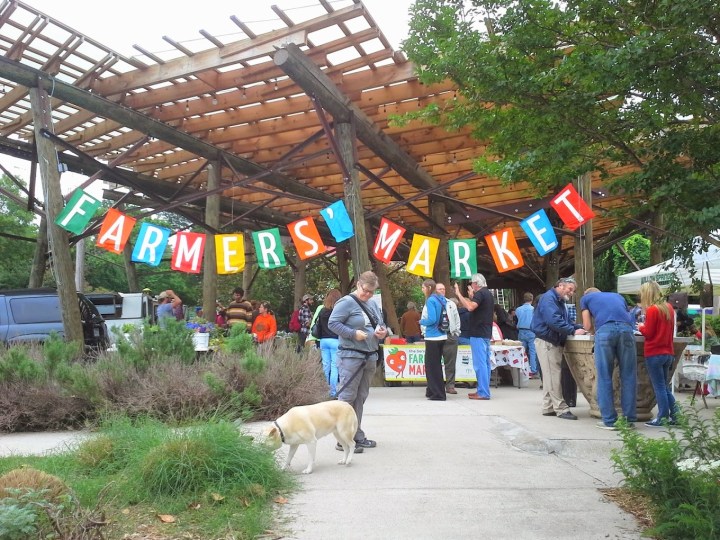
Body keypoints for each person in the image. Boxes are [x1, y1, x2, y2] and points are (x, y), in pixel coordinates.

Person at [328, 271, 387, 452]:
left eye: (371, 292)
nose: (368, 294)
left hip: (369, 356)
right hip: (351, 357)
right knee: (347, 398)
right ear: (358, 285)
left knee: (360, 397)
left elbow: (380, 324)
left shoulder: (373, 304)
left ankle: (355, 434)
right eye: (366, 290)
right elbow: (333, 323)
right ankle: (342, 439)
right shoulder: (346, 302)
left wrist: (383, 332)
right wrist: (353, 333)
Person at [580, 287, 637, 430]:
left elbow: (587, 325)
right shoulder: (618, 296)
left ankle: (610, 421)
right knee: (629, 376)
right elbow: (628, 317)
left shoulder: (586, 298)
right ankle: (628, 420)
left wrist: (594, 331)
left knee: (604, 376)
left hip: (605, 332)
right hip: (626, 331)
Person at [531, 277, 587, 419]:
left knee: (550, 374)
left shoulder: (555, 299)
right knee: (553, 375)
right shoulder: (550, 299)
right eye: (570, 289)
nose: (572, 293)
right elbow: (554, 321)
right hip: (548, 341)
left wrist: (578, 327)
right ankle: (561, 408)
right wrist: (573, 330)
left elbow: (562, 321)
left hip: (548, 339)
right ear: (561, 286)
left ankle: (548, 406)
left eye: (573, 291)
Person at [637, 281, 677, 427]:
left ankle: (663, 417)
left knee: (659, 387)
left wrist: (641, 327)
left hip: (654, 353)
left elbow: (649, 333)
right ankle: (676, 415)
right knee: (664, 386)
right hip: (668, 352)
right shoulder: (669, 308)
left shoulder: (653, 310)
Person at [454, 274, 494, 400]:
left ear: (476, 283)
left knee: (480, 363)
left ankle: (483, 392)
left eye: (472, 283)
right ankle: (483, 389)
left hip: (478, 332)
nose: (471, 285)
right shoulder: (487, 294)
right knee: (485, 363)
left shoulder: (481, 294)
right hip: (485, 332)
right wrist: (471, 296)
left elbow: (471, 307)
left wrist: (459, 294)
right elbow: (476, 304)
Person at [418, 279, 448, 401]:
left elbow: (432, 319)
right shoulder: (441, 299)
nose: (422, 290)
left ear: (429, 288)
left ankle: (438, 393)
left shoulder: (431, 300)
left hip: (433, 336)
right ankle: (431, 391)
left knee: (432, 366)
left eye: (423, 287)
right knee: (436, 365)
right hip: (442, 335)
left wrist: (421, 321)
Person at [316, 289, 342, 397]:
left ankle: (323, 392)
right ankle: (333, 392)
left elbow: (319, 327)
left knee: (325, 366)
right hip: (335, 341)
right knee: (334, 367)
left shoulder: (322, 311)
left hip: (323, 341)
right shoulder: (338, 312)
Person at [437, 284, 461, 394]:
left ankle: (450, 385)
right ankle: (437, 385)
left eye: (443, 289)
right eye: (439, 289)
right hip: (436, 336)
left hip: (450, 335)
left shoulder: (451, 304)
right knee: (435, 363)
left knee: (450, 363)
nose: (442, 291)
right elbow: (425, 317)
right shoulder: (430, 303)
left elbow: (457, 319)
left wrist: (456, 332)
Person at [515, 292, 539, 378]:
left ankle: (522, 370)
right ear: (532, 299)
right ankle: (533, 371)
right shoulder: (534, 309)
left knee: (521, 352)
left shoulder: (518, 309)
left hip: (521, 331)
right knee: (532, 352)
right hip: (531, 331)